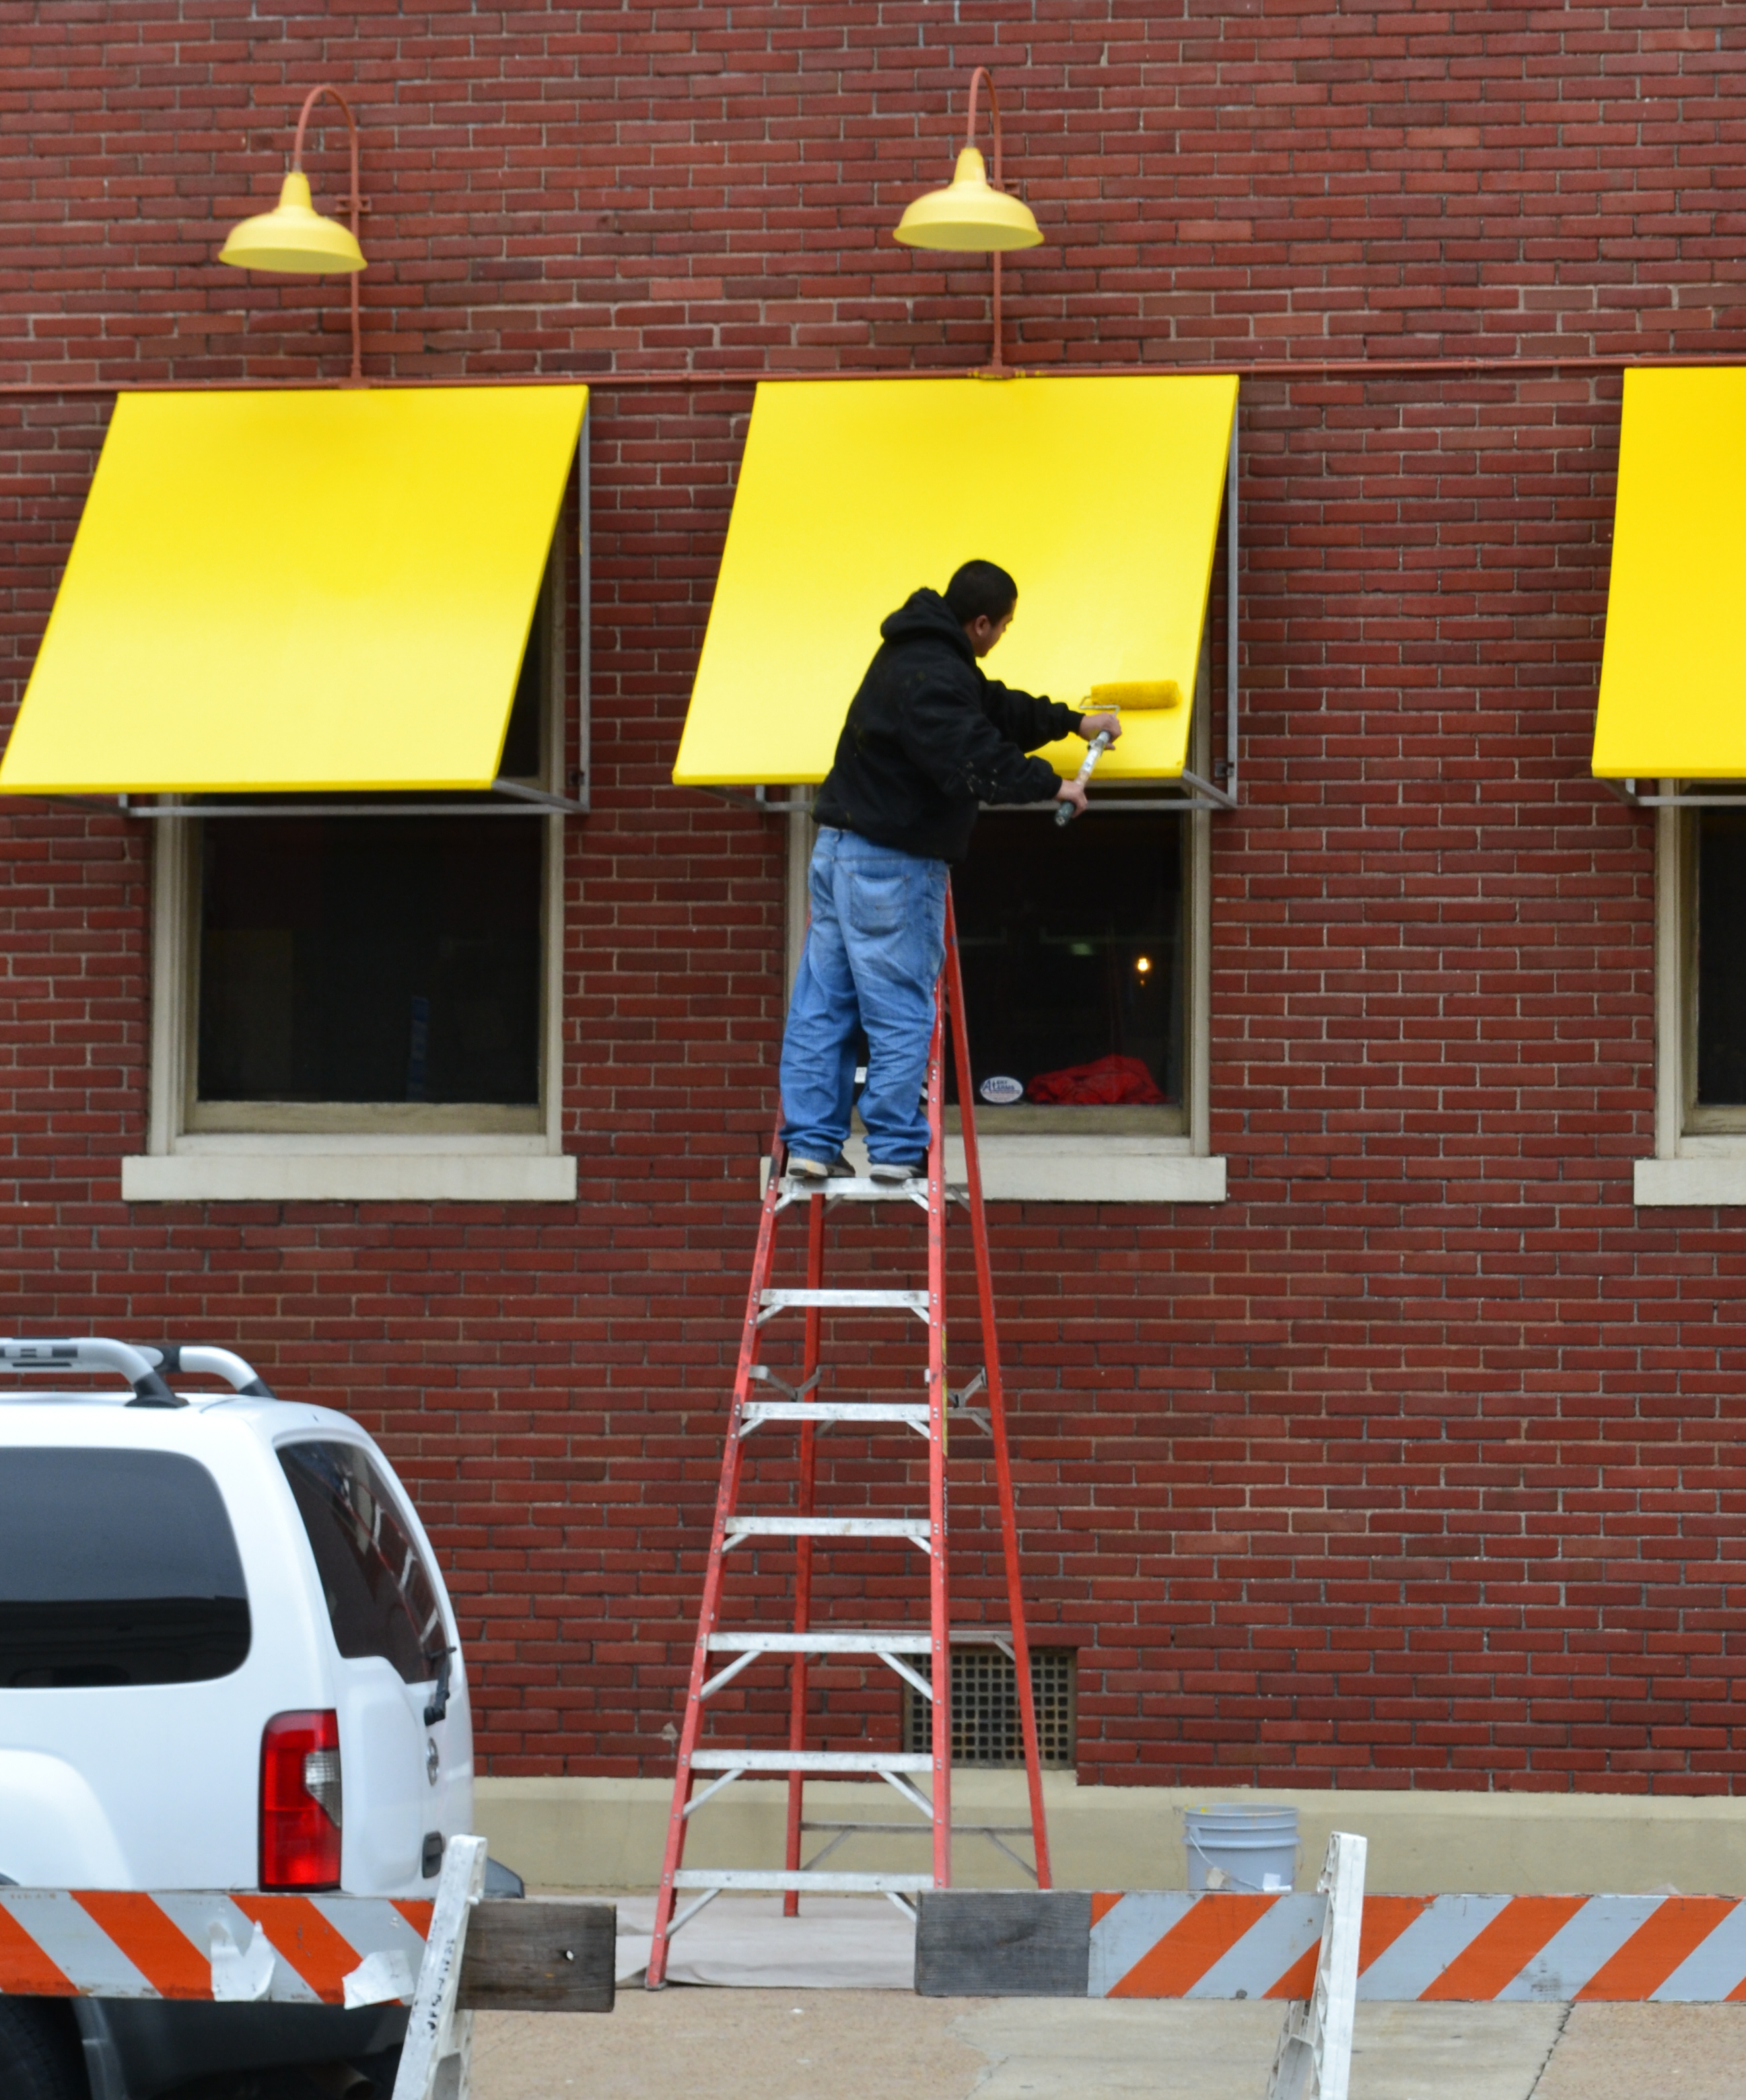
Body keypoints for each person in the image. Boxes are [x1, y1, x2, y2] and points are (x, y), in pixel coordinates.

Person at [778, 559, 1123, 1183]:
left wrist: (1073, 722)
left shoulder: (915, 657)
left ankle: (809, 1142)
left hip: (836, 852)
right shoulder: (935, 676)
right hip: (891, 862)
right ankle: (894, 1146)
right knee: (900, 1006)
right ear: (982, 623)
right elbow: (974, 757)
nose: (1001, 639)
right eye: (1004, 628)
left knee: (823, 1005)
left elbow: (994, 709)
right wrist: (1055, 786)